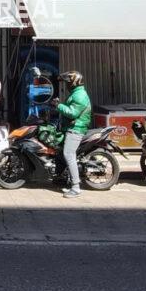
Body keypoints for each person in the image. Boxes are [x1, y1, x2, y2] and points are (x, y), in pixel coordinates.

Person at [52, 70, 91, 199]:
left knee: (68, 154)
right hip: (71, 127)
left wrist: (59, 106)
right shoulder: (76, 93)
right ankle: (64, 179)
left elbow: (73, 113)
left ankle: (75, 188)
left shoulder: (79, 95)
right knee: (61, 152)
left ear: (74, 83)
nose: (66, 85)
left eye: (68, 83)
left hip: (76, 129)